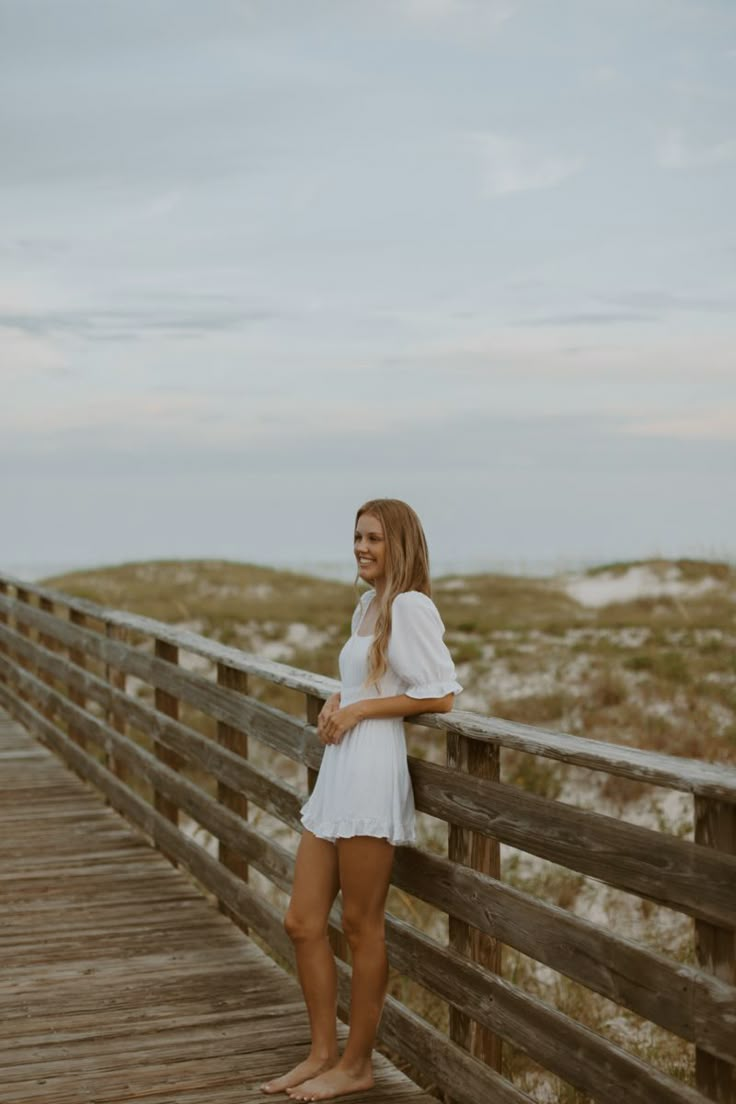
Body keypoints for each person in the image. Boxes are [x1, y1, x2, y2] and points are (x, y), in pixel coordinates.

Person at [260, 498, 463, 1101]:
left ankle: (356, 1064)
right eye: (357, 537)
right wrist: (335, 700)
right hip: (341, 767)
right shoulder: (367, 605)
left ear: (399, 543)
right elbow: (366, 679)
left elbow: (442, 694)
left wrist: (362, 709)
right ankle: (321, 1052)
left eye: (374, 538)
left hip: (374, 768)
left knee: (359, 923)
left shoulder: (410, 606)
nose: (361, 547)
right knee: (301, 920)